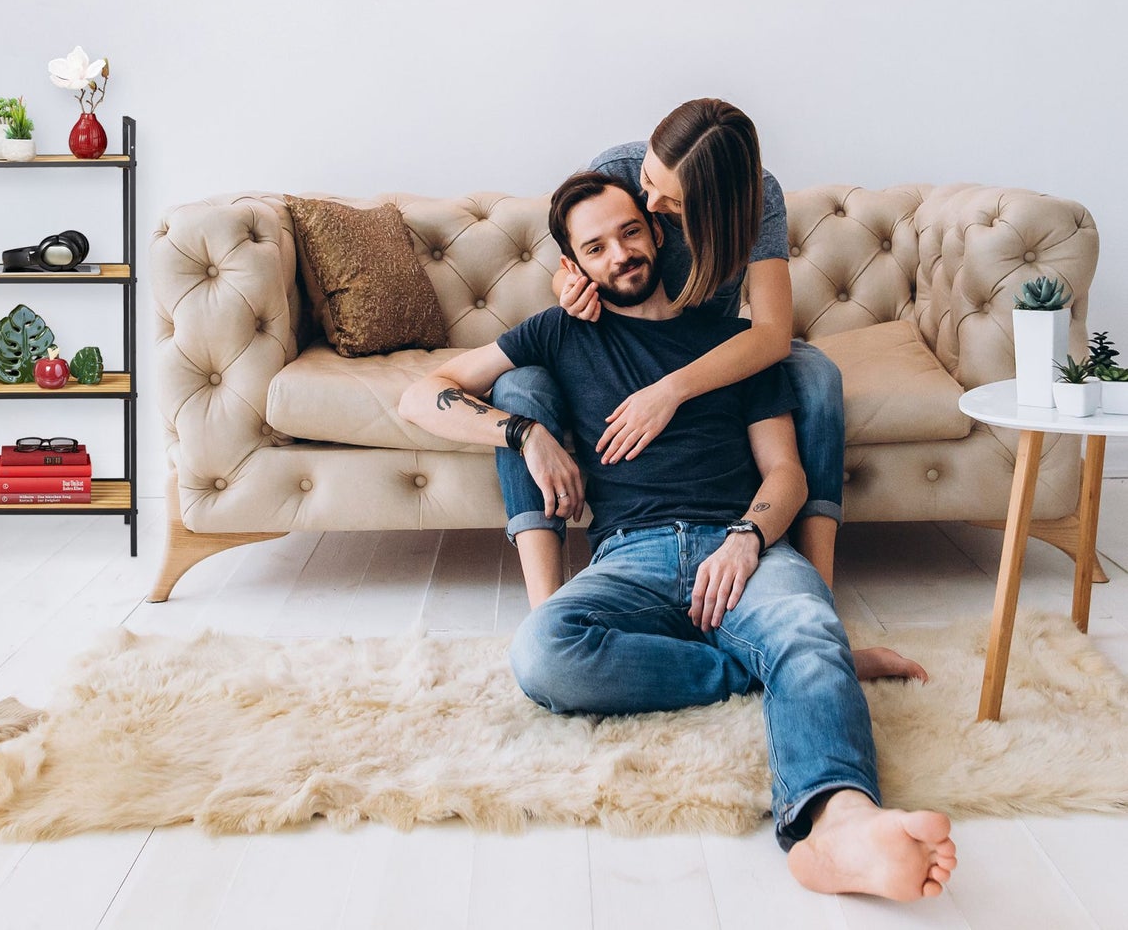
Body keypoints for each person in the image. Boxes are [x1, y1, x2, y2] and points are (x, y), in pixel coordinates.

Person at [399, 173, 956, 901]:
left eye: (630, 232)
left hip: (740, 545)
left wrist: (747, 539)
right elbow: (419, 394)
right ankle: (767, 667)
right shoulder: (559, 332)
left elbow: (785, 473)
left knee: (802, 623)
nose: (620, 254)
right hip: (629, 554)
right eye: (594, 245)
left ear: (657, 231)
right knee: (541, 651)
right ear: (571, 264)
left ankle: (842, 824)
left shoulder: (734, 343)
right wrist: (523, 430)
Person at [493, 98, 921, 682]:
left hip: (716, 349)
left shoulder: (757, 202)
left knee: (816, 375)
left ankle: (817, 616)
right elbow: (575, 256)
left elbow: (771, 334)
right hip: (618, 344)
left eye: (670, 202)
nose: (650, 203)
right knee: (518, 387)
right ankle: (546, 610)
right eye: (648, 183)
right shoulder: (619, 170)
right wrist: (567, 286)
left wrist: (669, 391)